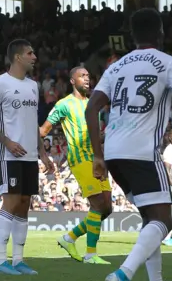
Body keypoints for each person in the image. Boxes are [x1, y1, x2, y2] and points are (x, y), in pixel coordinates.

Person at [85, 8, 172, 281]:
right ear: (160, 32)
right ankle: (123, 273)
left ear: (132, 35)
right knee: (164, 221)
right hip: (143, 153)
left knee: (150, 221)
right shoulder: (168, 62)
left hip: (113, 154)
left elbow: (91, 109)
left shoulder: (116, 66)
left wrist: (98, 156)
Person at [0, 39, 54, 275]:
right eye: (30, 53)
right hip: (9, 155)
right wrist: (7, 142)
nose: (34, 57)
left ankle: (18, 260)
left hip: (30, 156)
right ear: (18, 57)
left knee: (24, 205)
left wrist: (43, 154)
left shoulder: (33, 86)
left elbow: (33, 123)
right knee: (10, 202)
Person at [40, 66, 112, 264]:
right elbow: (43, 131)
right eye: (82, 76)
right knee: (98, 204)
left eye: (88, 75)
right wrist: (44, 156)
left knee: (107, 208)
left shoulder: (92, 105)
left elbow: (95, 135)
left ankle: (68, 238)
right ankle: (90, 254)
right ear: (72, 81)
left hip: (97, 157)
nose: (87, 79)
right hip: (80, 158)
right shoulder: (63, 104)